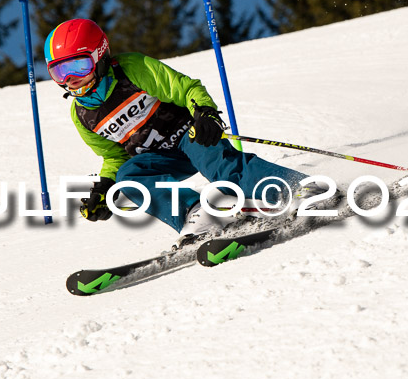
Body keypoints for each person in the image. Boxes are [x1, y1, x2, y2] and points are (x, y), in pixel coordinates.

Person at [44, 18, 310, 238]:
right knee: (128, 177)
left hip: (189, 135)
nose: (71, 80)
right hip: (159, 159)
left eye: (79, 66)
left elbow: (186, 89)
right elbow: (115, 156)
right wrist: (105, 187)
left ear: (99, 55)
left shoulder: (131, 70)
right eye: (59, 72)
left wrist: (205, 113)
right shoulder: (81, 115)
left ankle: (298, 189)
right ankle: (198, 214)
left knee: (225, 171)